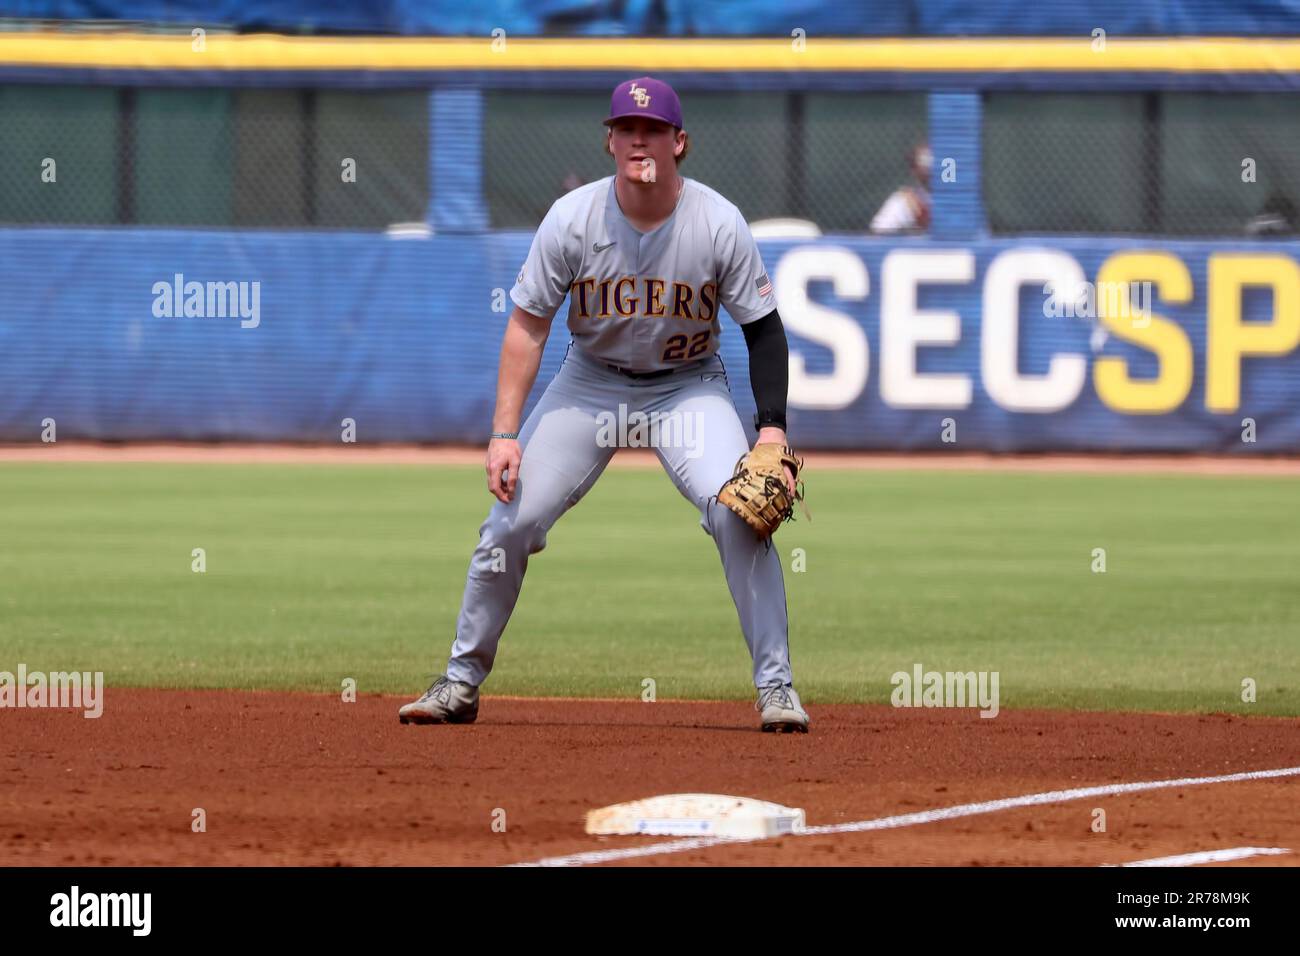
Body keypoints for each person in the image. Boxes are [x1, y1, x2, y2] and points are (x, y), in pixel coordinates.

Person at [398, 76, 809, 733]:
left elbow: (764, 330)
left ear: (680, 143)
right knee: (509, 523)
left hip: (687, 386)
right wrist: (505, 433)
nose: (637, 139)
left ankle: (778, 688)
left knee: (739, 515)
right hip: (590, 382)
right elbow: (528, 325)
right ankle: (458, 683)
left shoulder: (716, 222)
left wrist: (771, 431)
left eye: (651, 130)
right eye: (625, 128)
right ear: (609, 142)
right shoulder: (573, 219)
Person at [870, 143, 932, 234]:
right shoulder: (906, 201)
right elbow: (879, 234)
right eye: (925, 162)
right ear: (914, 170)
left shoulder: (957, 198)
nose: (932, 167)